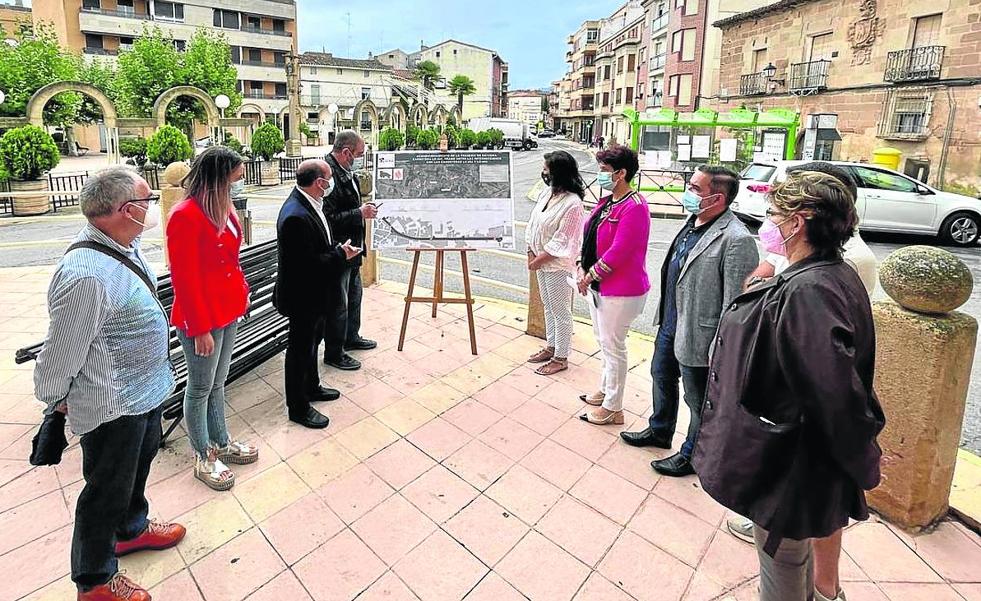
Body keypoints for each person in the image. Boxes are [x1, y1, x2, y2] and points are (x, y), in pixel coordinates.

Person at [693, 171, 885, 601]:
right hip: (799, 460)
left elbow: (833, 393)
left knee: (782, 566)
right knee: (791, 561)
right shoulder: (827, 273)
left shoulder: (809, 291)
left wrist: (862, 458)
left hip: (794, 466)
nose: (768, 225)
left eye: (774, 215)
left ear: (798, 223)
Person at [34, 167, 186, 601]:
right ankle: (95, 579)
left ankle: (132, 528)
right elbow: (60, 354)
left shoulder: (126, 244)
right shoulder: (85, 274)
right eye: (148, 200)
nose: (153, 207)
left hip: (145, 391)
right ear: (127, 210)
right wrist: (56, 400)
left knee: (136, 470)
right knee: (106, 490)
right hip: (112, 403)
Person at [620, 165, 758, 477]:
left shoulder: (736, 239)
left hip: (702, 334)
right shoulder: (693, 222)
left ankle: (692, 453)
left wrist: (720, 347)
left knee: (698, 399)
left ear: (717, 198)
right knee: (661, 375)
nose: (688, 193)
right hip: (671, 323)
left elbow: (736, 303)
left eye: (696, 189)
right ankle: (660, 429)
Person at [167, 146, 258, 491]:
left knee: (219, 382)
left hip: (228, 307)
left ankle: (221, 441)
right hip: (200, 315)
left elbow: (232, 262)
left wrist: (243, 293)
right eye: (235, 175)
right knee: (201, 386)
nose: (239, 181)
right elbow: (184, 278)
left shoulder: (225, 208)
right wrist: (200, 328)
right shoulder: (185, 214)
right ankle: (203, 454)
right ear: (219, 176)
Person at [275, 159, 362, 429]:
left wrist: (335, 248)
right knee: (300, 350)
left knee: (312, 343)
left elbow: (316, 246)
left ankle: (312, 387)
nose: (330, 184)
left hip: (315, 294)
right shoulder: (294, 216)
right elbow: (306, 265)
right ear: (319, 183)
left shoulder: (309, 203)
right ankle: (298, 407)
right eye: (327, 180)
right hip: (302, 296)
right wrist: (340, 254)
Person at [576, 145, 650, 426]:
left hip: (621, 289)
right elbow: (591, 234)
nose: (600, 176)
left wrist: (589, 274)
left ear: (621, 173)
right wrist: (583, 266)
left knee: (613, 346)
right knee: (604, 342)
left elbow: (620, 251)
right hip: (599, 286)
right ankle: (606, 390)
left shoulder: (635, 207)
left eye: (605, 171)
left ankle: (614, 408)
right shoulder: (608, 201)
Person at [526, 150, 587, 376]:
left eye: (546, 170)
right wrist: (530, 251)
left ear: (559, 173)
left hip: (557, 266)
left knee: (560, 311)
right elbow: (533, 224)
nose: (543, 173)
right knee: (548, 306)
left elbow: (564, 239)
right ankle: (551, 346)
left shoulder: (573, 204)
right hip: (541, 263)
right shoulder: (547, 194)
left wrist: (538, 260)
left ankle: (561, 357)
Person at [322, 130, 378, 371]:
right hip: (339, 250)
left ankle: (351, 337)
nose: (361, 159)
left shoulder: (347, 172)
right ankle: (335, 352)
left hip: (353, 247)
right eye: (359, 154)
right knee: (338, 304)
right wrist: (359, 213)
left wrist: (361, 210)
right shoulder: (327, 175)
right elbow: (327, 217)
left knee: (355, 296)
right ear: (346, 153)